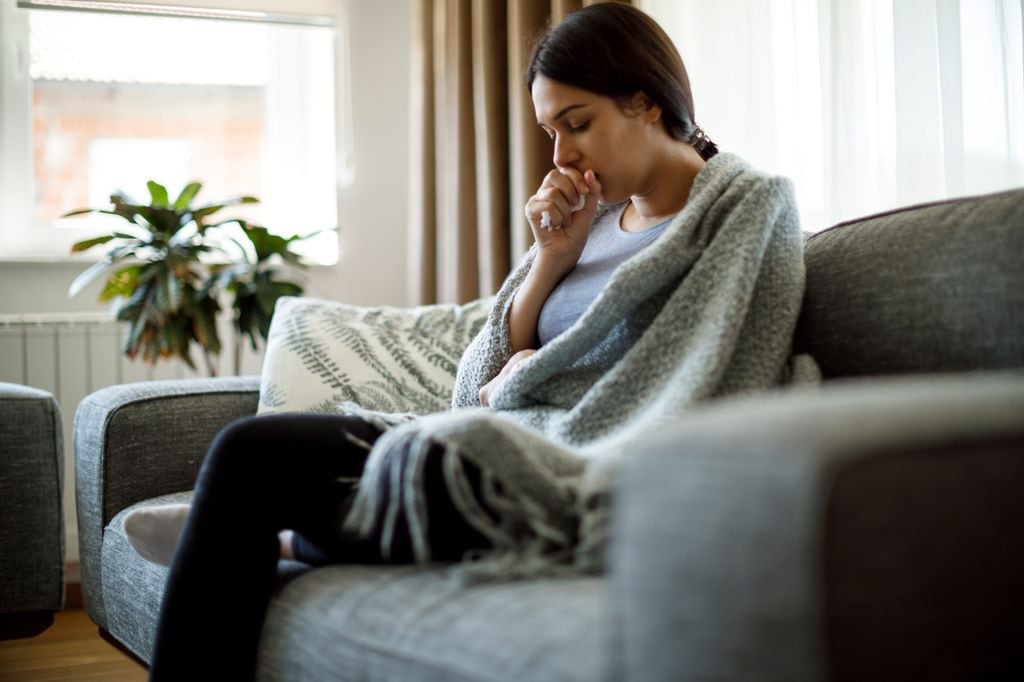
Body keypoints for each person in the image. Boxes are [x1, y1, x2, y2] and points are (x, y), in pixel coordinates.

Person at [132, 4, 808, 680]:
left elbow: (707, 368)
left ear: (645, 101)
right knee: (254, 456)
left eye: (577, 124)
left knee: (252, 469)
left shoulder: (747, 207)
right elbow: (471, 386)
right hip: (494, 442)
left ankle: (247, 533)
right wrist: (550, 260)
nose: (561, 155)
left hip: (567, 472)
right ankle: (259, 533)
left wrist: (521, 376)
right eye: (550, 131)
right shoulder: (590, 222)